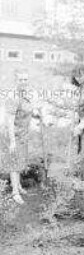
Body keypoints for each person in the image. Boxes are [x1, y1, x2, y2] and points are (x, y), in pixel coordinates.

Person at [0, 69, 41, 204]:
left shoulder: (25, 95)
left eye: (25, 79)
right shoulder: (13, 97)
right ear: (15, 81)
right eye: (20, 79)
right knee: (14, 163)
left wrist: (37, 115)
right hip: (13, 134)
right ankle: (15, 193)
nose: (23, 82)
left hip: (23, 134)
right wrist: (12, 141)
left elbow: (25, 112)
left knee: (19, 161)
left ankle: (18, 186)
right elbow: (9, 121)